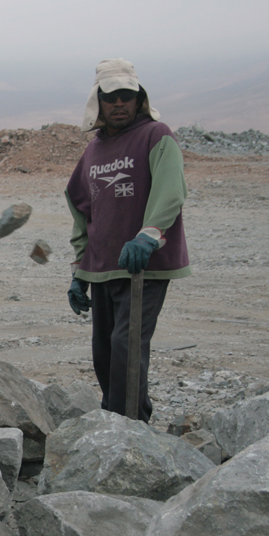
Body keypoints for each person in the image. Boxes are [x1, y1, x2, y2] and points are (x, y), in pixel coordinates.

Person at [64, 59, 190, 422]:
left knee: (127, 345)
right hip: (103, 266)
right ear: (98, 102)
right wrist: (79, 270)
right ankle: (114, 416)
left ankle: (129, 426)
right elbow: (81, 208)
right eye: (111, 97)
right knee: (104, 350)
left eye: (126, 96)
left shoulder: (156, 135)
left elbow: (171, 190)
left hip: (144, 265)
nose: (119, 103)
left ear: (139, 99)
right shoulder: (93, 151)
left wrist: (148, 235)